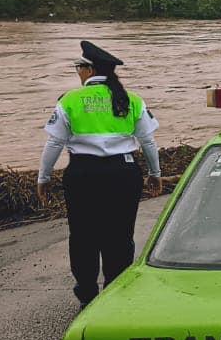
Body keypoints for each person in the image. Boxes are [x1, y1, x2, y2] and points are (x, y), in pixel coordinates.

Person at [37, 41, 162, 308]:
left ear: (90, 70)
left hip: (83, 175)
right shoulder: (131, 99)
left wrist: (43, 178)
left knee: (83, 236)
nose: (78, 73)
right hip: (124, 175)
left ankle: (87, 296)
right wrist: (155, 173)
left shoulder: (70, 100)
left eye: (79, 68)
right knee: (120, 236)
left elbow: (54, 143)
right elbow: (148, 142)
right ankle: (115, 295)